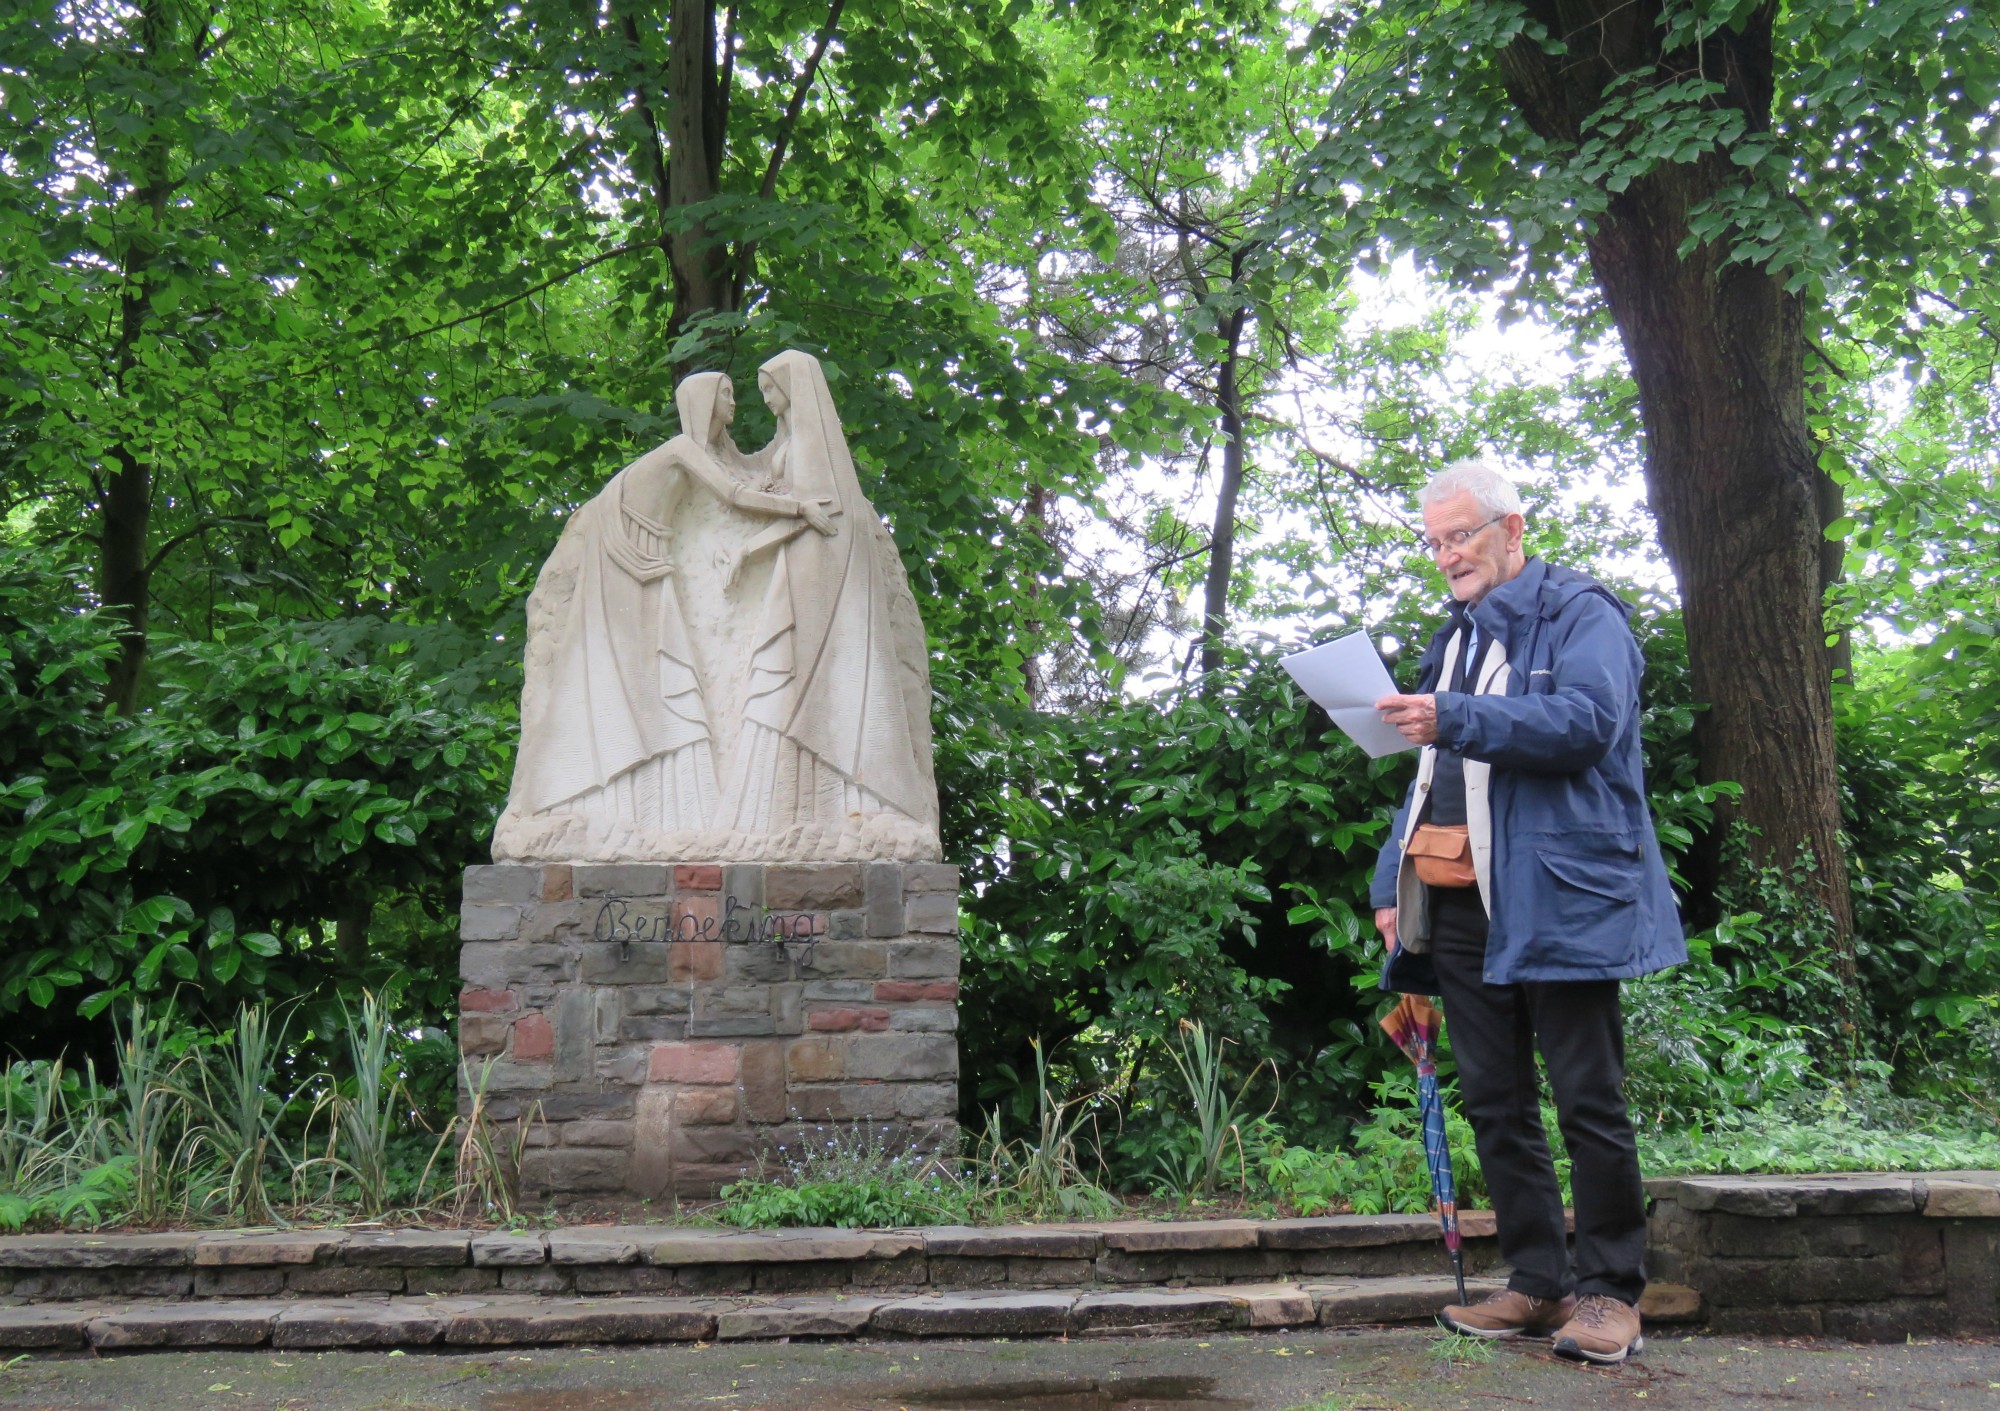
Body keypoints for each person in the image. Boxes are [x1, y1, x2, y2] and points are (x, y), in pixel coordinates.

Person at [1369, 459, 1685, 1366]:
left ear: (1513, 529)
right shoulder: (1456, 635)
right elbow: (1432, 772)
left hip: (1561, 896)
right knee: (1497, 1100)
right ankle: (1539, 1280)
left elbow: (1587, 722)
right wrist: (1393, 881)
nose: (1446, 556)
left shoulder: (1584, 613)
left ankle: (1608, 1293)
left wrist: (1456, 715)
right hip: (1462, 902)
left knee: (1588, 1099)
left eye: (1459, 535)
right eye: (1433, 542)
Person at [495, 371, 833, 860]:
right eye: (726, 395)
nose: (735, 404)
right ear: (701, 402)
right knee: (644, 677)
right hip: (630, 561)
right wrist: (800, 507)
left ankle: (676, 807)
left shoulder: (707, 453)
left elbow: (742, 476)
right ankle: (598, 793)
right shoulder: (682, 449)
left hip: (650, 559)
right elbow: (734, 496)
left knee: (666, 679)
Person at [713, 350, 940, 858]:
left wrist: (746, 550)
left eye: (770, 387)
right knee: (784, 679)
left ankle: (829, 806)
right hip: (800, 566)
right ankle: (784, 811)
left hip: (817, 573)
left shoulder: (811, 442)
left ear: (793, 387)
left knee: (800, 679)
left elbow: (810, 515)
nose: (764, 397)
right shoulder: (793, 440)